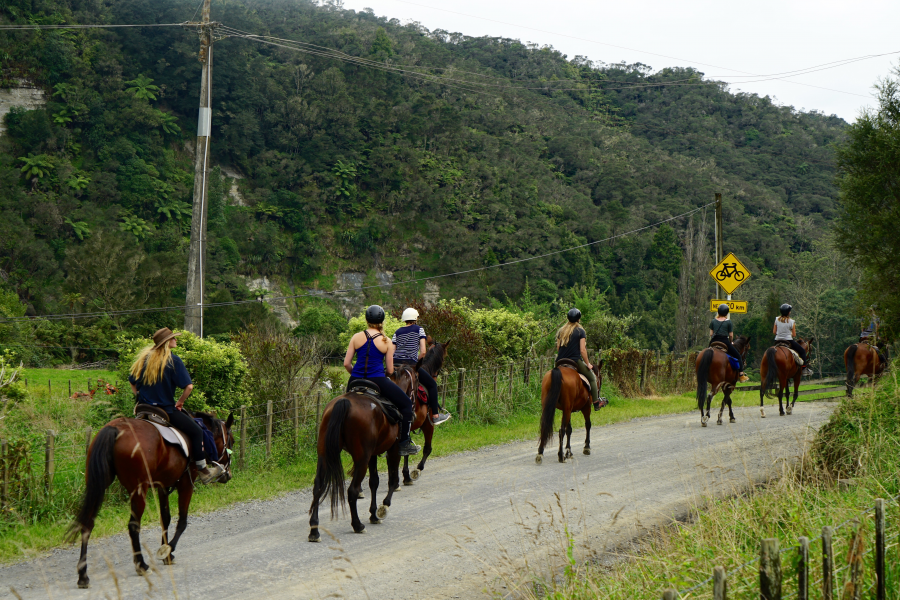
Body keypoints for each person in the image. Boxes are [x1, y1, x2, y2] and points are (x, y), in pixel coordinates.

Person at [128, 328, 224, 484]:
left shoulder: (144, 359)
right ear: (167, 342)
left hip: (143, 409)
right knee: (197, 431)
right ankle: (203, 471)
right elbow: (189, 387)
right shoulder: (173, 360)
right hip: (164, 410)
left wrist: (139, 397)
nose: (176, 340)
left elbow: (132, 382)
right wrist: (180, 402)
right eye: (173, 338)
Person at [344, 305, 420, 456]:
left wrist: (356, 375)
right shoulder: (386, 342)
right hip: (377, 380)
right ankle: (404, 442)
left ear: (366, 319)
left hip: (354, 379)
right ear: (382, 321)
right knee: (405, 404)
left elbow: (347, 363)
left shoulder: (356, 337)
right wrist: (381, 374)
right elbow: (390, 371)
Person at [392, 307, 451, 426]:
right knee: (432, 384)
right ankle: (435, 415)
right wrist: (417, 361)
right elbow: (423, 352)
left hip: (395, 366)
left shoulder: (397, 332)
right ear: (415, 319)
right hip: (410, 365)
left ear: (404, 319)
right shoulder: (419, 330)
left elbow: (392, 351)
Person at [555, 308, 605, 410]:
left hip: (559, 361)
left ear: (568, 318)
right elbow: (582, 350)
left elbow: (558, 348)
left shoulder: (561, 331)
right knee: (592, 378)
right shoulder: (580, 331)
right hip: (574, 361)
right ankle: (596, 403)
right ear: (578, 319)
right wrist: (588, 364)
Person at [709, 304, 750, 382]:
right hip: (724, 341)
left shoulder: (713, 321)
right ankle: (741, 375)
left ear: (718, 312)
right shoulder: (728, 322)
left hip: (713, 341)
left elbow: (711, 334)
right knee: (738, 356)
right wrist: (731, 342)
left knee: (707, 352)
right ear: (726, 313)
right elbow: (731, 335)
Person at [773, 304, 813, 376]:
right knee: (803, 351)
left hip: (777, 340)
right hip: (788, 340)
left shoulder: (776, 319)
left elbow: (774, 332)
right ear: (788, 312)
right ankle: (804, 369)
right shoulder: (792, 321)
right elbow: (794, 335)